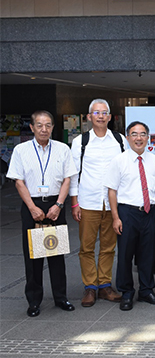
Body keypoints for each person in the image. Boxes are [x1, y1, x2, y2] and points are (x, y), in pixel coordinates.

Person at [7, 111, 77, 317]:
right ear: (32, 127)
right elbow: (18, 181)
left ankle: (60, 297)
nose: (44, 129)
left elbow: (67, 179)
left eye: (48, 125)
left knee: (56, 254)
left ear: (53, 127)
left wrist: (59, 205)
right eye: (39, 125)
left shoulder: (63, 149)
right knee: (33, 256)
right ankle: (34, 301)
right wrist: (32, 207)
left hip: (55, 204)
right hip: (32, 204)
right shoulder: (21, 150)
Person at [70, 99, 124, 307]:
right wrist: (74, 203)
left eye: (104, 113)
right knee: (86, 247)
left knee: (109, 247)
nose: (101, 116)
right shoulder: (80, 142)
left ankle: (105, 285)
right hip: (88, 202)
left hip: (112, 204)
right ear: (89, 117)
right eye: (96, 113)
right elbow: (74, 174)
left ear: (110, 117)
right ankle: (90, 287)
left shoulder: (119, 141)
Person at [105, 121, 155, 311]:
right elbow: (112, 191)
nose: (138, 138)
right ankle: (127, 292)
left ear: (148, 137)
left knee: (148, 255)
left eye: (142, 134)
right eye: (134, 134)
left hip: (148, 213)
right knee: (125, 255)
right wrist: (115, 217)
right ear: (128, 137)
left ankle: (146, 290)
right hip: (127, 213)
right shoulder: (119, 161)